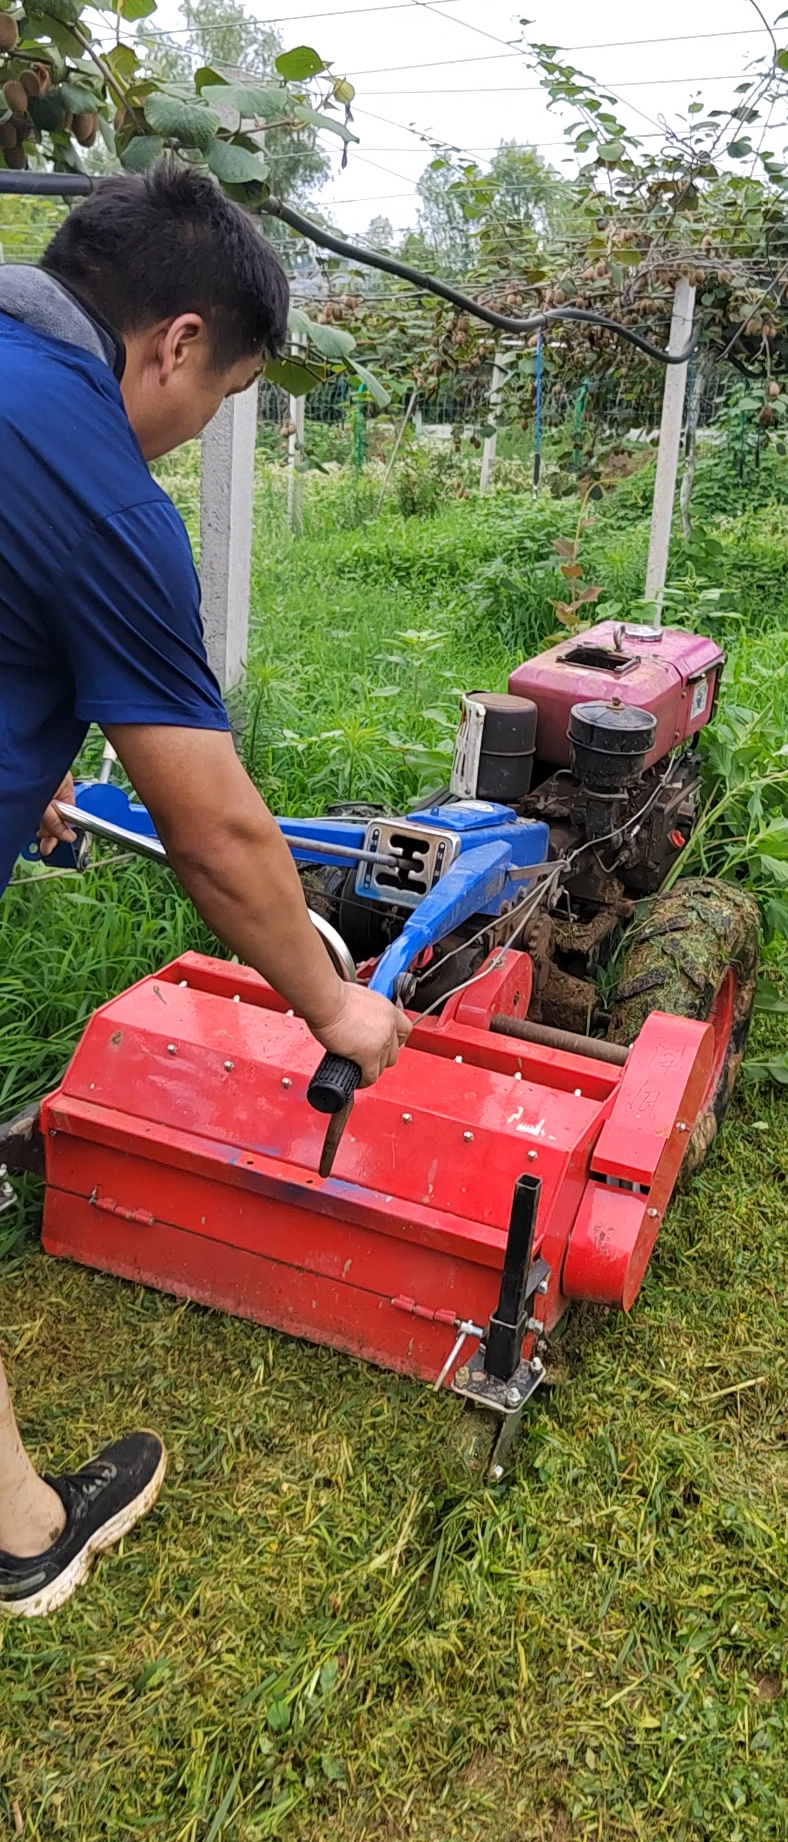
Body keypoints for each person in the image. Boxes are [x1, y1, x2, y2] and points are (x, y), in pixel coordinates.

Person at [0, 162, 410, 1618]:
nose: (192, 434)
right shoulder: (94, 481)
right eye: (221, 398)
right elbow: (220, 836)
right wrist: (334, 1011)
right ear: (176, 341)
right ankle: (19, 1534)